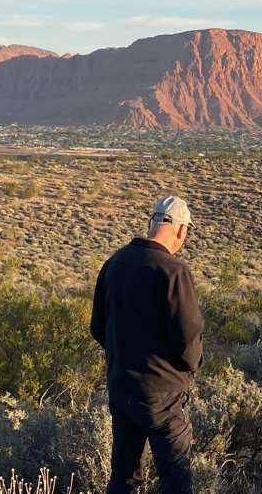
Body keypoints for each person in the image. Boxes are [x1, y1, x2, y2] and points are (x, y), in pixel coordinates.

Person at [91, 196, 203, 494]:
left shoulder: (114, 264)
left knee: (124, 479)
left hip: (122, 388)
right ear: (181, 230)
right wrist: (188, 371)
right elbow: (189, 336)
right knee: (175, 478)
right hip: (162, 396)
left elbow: (98, 328)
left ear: (151, 223)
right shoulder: (173, 271)